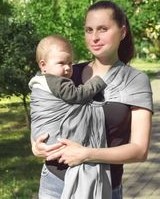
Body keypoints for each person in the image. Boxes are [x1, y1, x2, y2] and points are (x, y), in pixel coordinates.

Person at [32, 0, 153, 199]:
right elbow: (42, 113)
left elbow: (139, 150)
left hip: (103, 187)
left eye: (103, 29)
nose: (94, 37)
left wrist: (86, 154)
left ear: (122, 32)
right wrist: (36, 146)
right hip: (54, 183)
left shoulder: (135, 81)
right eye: (89, 30)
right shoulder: (69, 73)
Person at [29, 35, 111, 199]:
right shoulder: (56, 82)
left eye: (70, 63)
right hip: (56, 153)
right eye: (61, 63)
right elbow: (76, 95)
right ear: (43, 65)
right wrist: (96, 83)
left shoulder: (39, 81)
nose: (67, 68)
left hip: (52, 157)